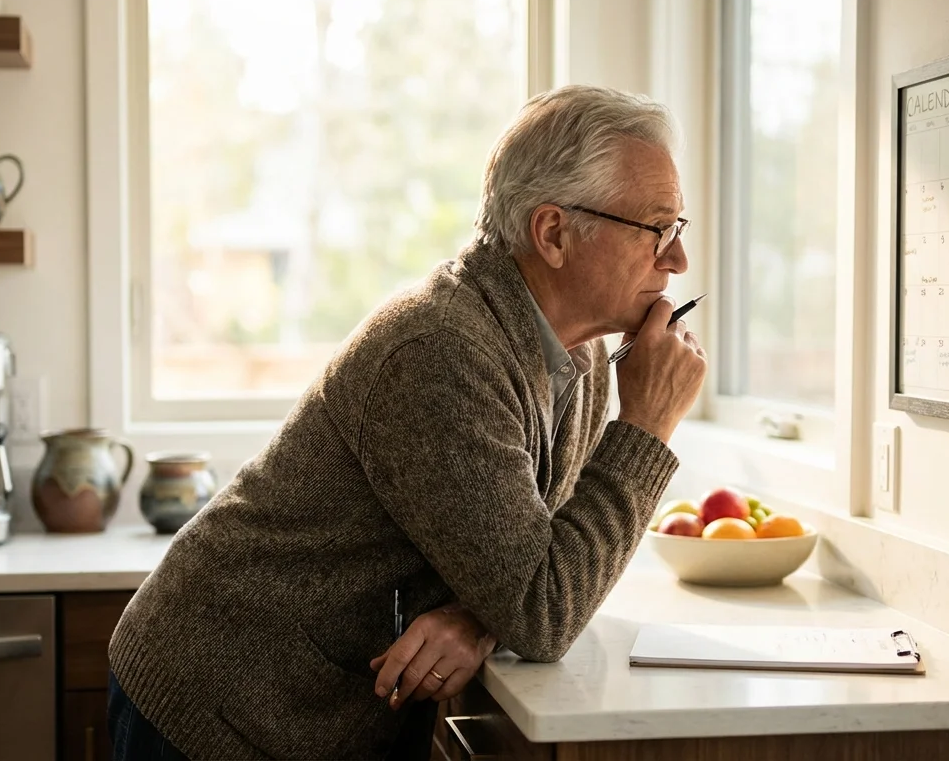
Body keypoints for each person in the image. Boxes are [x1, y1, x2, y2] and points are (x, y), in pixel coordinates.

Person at [107, 84, 707, 760]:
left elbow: (538, 559)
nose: (678, 260)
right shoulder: (443, 351)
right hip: (220, 710)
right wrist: (648, 428)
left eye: (678, 230)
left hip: (314, 712)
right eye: (658, 229)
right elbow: (544, 612)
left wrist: (480, 616)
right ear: (554, 233)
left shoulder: (584, 354)